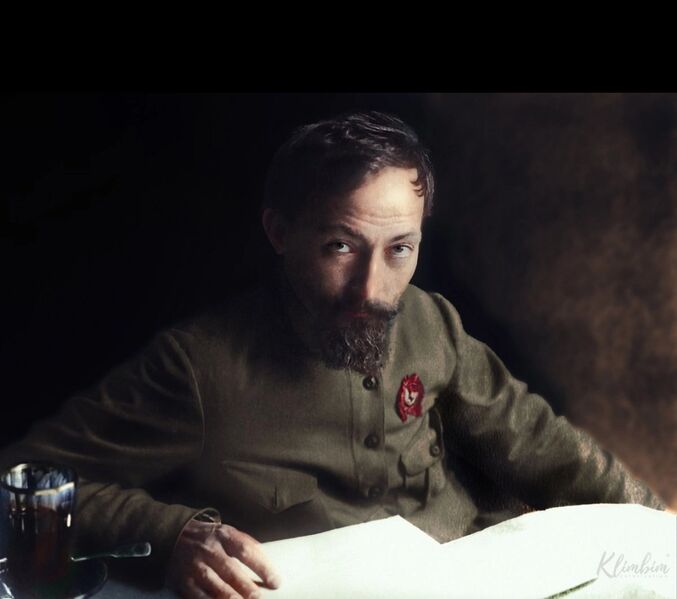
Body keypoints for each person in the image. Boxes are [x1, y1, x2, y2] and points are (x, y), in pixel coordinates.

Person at [0, 111, 667, 599]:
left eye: (399, 249)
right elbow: (19, 477)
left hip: (477, 570)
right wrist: (174, 535)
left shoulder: (431, 321)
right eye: (340, 247)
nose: (371, 289)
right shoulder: (196, 367)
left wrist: (655, 523)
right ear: (280, 231)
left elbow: (538, 441)